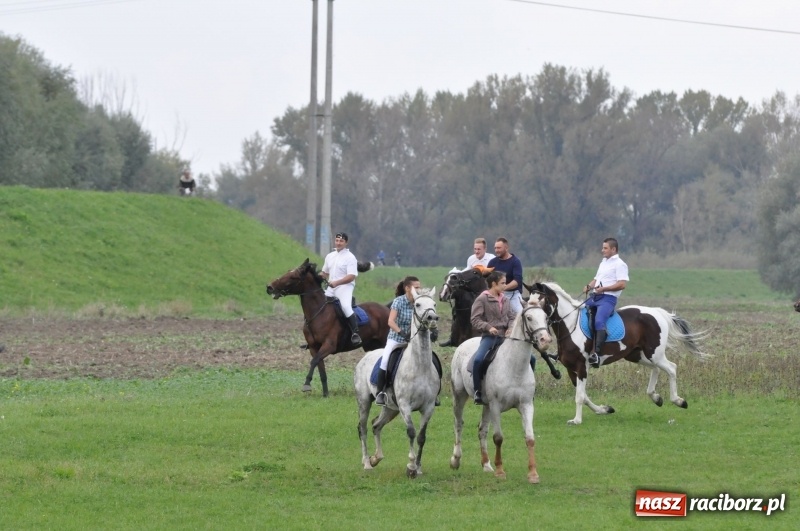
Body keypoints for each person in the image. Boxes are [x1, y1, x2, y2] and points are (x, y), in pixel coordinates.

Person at [470, 271, 517, 405]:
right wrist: (488, 327)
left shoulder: (506, 299)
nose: (505, 285)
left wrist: (510, 327)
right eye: (503, 283)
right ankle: (477, 390)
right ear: (493, 284)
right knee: (478, 360)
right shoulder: (482, 299)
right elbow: (475, 319)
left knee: (530, 359)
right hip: (490, 337)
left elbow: (512, 316)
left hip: (505, 337)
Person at [582, 237, 629, 368]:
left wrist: (604, 289)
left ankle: (596, 354)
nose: (602, 250)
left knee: (598, 321)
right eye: (602, 248)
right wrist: (589, 286)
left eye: (605, 248)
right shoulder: (603, 263)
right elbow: (596, 279)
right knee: (579, 314)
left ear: (613, 249)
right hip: (596, 297)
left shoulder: (620, 264)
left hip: (608, 299)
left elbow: (622, 284)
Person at [375, 276, 420, 406]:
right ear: (407, 288)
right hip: (396, 339)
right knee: (385, 361)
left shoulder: (419, 302)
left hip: (413, 340)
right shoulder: (398, 302)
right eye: (416, 288)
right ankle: (380, 392)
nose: (419, 290)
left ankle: (432, 392)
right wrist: (401, 332)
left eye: (419, 287)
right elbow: (390, 321)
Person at [320, 231, 362, 346]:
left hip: (345, 286)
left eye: (341, 241)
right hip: (331, 286)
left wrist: (337, 282)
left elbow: (351, 276)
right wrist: (317, 276)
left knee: (345, 306)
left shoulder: (350, 257)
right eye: (337, 240)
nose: (338, 243)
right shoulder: (330, 256)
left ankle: (355, 333)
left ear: (346, 243)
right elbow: (324, 272)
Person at [487, 237, 524, 315]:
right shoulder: (492, 262)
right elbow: (487, 279)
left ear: (506, 248)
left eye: (499, 248)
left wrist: (504, 288)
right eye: (495, 248)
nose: (496, 250)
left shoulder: (515, 262)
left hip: (513, 295)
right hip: (495, 294)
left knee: (520, 314)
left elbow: (517, 281)